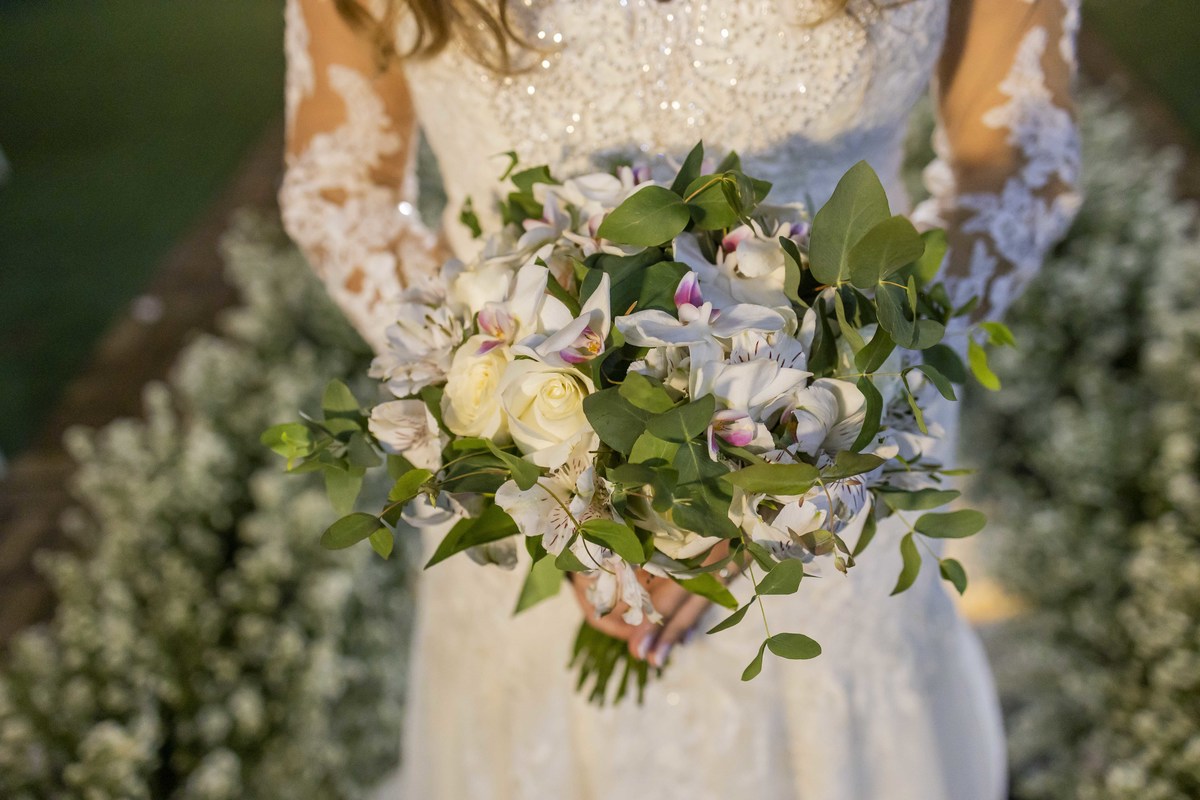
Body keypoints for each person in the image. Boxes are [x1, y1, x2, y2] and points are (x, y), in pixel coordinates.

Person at [279, 1, 1082, 797]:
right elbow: (340, 185)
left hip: (831, 503)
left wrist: (801, 442)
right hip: (526, 506)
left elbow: (1013, 162)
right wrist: (514, 448)